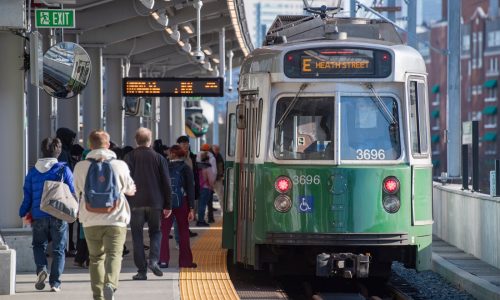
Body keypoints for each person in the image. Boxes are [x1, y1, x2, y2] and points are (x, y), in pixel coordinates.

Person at [73, 130, 136, 300]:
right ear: (108, 145)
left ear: (89, 145)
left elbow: (76, 191)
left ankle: (98, 296)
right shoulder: (120, 165)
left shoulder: (80, 166)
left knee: (95, 258)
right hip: (116, 218)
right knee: (114, 255)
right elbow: (130, 189)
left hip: (90, 219)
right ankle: (110, 284)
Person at [19, 137, 75, 292]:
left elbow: (27, 196)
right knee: (58, 249)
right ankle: (55, 283)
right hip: (58, 214)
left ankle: (41, 269)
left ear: (42, 151)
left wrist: (22, 211)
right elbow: (72, 192)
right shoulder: (63, 170)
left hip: (38, 216)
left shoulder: (32, 172)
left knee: (38, 245)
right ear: (58, 152)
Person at [125, 128, 172, 280]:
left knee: (137, 235)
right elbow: (166, 183)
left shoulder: (129, 157)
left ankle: (141, 271)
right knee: (156, 232)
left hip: (135, 202)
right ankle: (153, 261)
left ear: (136, 141)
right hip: (155, 202)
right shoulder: (159, 158)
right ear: (150, 140)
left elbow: (125, 181)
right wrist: (168, 205)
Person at [159, 145, 197, 268]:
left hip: (166, 204)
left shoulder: (164, 167)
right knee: (183, 231)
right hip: (182, 202)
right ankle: (185, 262)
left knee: (164, 232)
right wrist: (191, 207)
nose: (168, 154)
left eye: (170, 153)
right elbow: (191, 189)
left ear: (173, 154)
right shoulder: (186, 168)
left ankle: (163, 260)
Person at [56, 127, 78, 256]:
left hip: (62, 190)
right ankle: (66, 247)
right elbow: (67, 172)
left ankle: (66, 245)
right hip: (65, 191)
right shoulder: (64, 153)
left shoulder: (62, 151)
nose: (72, 141)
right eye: (71, 138)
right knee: (67, 220)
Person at [176, 135, 199, 236]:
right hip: (180, 190)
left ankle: (185, 232)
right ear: (178, 145)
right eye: (183, 143)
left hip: (191, 188)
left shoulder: (192, 157)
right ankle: (178, 238)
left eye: (187, 143)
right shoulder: (176, 156)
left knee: (189, 212)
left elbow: (195, 173)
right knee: (179, 216)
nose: (186, 145)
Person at [197, 151, 216, 226]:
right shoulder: (207, 167)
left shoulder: (198, 166)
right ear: (208, 159)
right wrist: (212, 186)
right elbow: (211, 180)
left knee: (200, 204)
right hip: (206, 187)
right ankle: (201, 221)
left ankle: (199, 219)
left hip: (199, 187)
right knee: (203, 205)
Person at [211, 144, 225, 210]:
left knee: (221, 195)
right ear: (213, 149)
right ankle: (210, 211)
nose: (217, 151)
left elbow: (222, 166)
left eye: (218, 150)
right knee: (208, 197)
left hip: (218, 179)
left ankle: (223, 210)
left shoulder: (219, 156)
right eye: (216, 150)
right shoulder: (209, 155)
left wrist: (222, 175)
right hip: (209, 180)